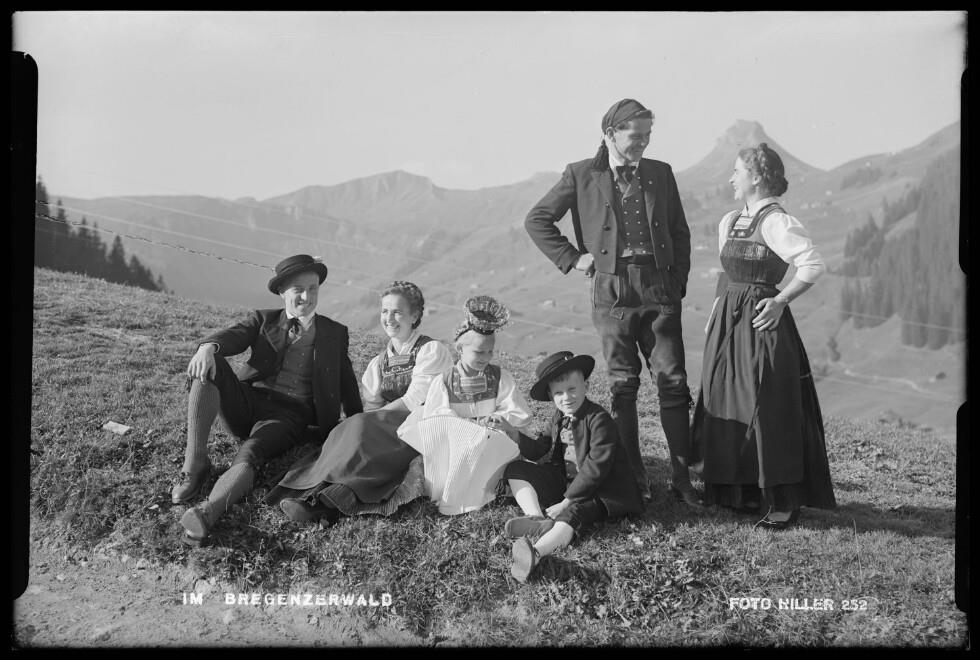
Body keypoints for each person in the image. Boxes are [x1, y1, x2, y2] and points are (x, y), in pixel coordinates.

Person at [524, 98, 700, 506]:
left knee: (673, 382)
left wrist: (676, 284)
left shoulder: (661, 173)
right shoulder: (581, 173)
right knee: (623, 384)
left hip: (659, 287)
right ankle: (634, 477)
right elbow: (537, 219)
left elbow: (680, 232)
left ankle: (682, 480)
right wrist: (573, 258)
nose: (643, 143)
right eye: (635, 136)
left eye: (648, 135)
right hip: (611, 289)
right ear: (610, 134)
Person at [691, 143, 836, 529]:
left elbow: (812, 263)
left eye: (737, 171)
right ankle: (740, 494)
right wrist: (715, 316)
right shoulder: (730, 220)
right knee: (728, 398)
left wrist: (781, 301)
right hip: (729, 319)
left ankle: (782, 502)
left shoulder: (776, 221)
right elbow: (727, 274)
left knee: (766, 403)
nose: (731, 178)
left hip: (760, 321)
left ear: (756, 178)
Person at [173, 254, 363, 545]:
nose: (307, 296)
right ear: (282, 291)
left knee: (251, 452)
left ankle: (207, 512)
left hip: (288, 416)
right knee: (209, 365)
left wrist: (356, 420)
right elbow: (236, 335)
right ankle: (194, 465)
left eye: (313, 288)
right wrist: (208, 347)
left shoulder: (335, 333)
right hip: (250, 400)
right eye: (298, 289)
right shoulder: (263, 319)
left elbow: (346, 380)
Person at [266, 281, 453, 522]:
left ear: (414, 316)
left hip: (419, 427)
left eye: (397, 312)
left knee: (358, 425)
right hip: (387, 426)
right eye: (385, 311)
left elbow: (416, 399)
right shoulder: (379, 363)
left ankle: (325, 504)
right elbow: (373, 405)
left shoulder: (431, 350)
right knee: (346, 430)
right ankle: (310, 495)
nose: (389, 318)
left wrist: (369, 419)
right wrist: (367, 419)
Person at [502, 351, 643, 583]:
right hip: (566, 480)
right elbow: (540, 450)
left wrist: (565, 502)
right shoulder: (558, 416)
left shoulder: (599, 419)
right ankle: (536, 518)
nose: (566, 397)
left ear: (586, 386)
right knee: (516, 469)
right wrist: (514, 434)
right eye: (558, 393)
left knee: (573, 512)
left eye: (572, 389)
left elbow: (595, 468)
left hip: (600, 490)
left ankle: (536, 553)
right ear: (551, 395)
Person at [397, 296, 533, 515]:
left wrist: (499, 420)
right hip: (456, 444)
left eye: (490, 351)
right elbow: (438, 418)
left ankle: (492, 488)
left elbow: (515, 410)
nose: (486, 357)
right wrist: (465, 428)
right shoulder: (444, 381)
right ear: (460, 349)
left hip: (490, 440)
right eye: (479, 352)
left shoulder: (500, 377)